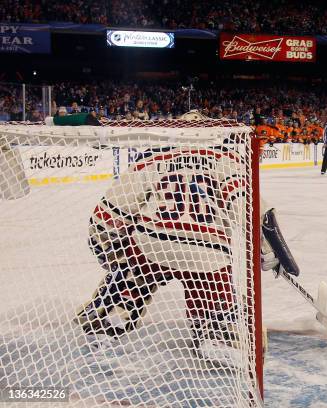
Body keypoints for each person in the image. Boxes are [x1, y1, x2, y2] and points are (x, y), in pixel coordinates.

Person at [75, 111, 284, 352]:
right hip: (207, 254)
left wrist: (114, 255)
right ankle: (216, 333)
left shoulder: (154, 156)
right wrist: (266, 248)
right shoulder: (227, 158)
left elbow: (110, 213)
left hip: (151, 243)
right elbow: (245, 206)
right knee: (216, 316)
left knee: (133, 270)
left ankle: (112, 312)